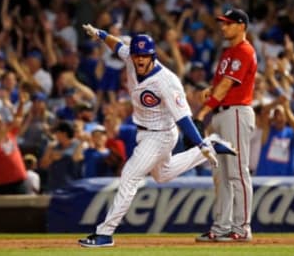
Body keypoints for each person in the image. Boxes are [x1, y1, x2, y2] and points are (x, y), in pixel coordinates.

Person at [78, 23, 236, 247]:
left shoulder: (167, 81)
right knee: (162, 175)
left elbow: (183, 118)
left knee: (130, 175)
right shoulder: (131, 59)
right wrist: (101, 34)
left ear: (152, 56)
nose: (140, 59)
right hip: (144, 132)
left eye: (144, 55)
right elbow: (117, 46)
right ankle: (213, 145)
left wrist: (198, 142)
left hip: (160, 135)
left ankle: (105, 233)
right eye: (137, 55)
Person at [194, 8, 257, 242]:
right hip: (222, 114)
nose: (223, 27)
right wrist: (209, 93)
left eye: (229, 23)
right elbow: (219, 86)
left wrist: (202, 113)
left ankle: (242, 229)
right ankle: (221, 228)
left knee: (238, 172)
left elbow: (226, 87)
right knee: (221, 174)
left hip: (236, 113)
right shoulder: (228, 52)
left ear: (241, 26)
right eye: (222, 23)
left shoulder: (244, 50)